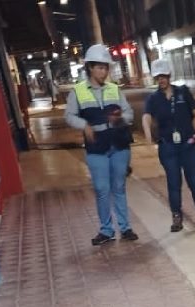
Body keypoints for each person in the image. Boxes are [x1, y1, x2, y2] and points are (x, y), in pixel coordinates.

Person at [65, 44, 138, 246]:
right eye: (99, 67)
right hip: (96, 147)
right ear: (89, 67)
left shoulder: (114, 89)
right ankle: (106, 230)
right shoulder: (78, 91)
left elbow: (129, 113)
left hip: (119, 145)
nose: (103, 71)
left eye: (106, 67)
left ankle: (125, 228)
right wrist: (84, 125)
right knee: (101, 188)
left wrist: (121, 119)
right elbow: (69, 115)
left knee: (119, 187)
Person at [142, 59, 195, 232]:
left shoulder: (183, 92)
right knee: (173, 183)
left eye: (164, 76)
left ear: (169, 75)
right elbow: (146, 116)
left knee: (194, 181)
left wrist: (193, 135)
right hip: (168, 147)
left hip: (188, 146)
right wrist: (148, 135)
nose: (161, 80)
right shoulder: (153, 98)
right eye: (158, 77)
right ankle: (176, 218)